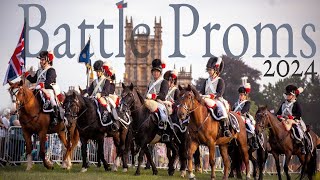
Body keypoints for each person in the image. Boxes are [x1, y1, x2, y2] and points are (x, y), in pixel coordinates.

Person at [25, 51, 62, 125]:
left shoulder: (51, 70)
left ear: (47, 60)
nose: (41, 61)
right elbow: (34, 80)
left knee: (52, 99)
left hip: (48, 89)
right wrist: (26, 74)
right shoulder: (39, 71)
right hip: (38, 88)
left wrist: (41, 86)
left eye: (42, 60)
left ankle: (55, 117)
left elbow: (49, 82)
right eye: (40, 60)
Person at [200, 56, 231, 137]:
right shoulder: (206, 81)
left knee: (221, 108)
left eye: (210, 70)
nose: (209, 72)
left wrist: (211, 96)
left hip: (216, 99)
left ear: (215, 70)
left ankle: (225, 127)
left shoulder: (220, 80)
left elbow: (219, 93)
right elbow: (202, 91)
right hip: (206, 98)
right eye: (208, 70)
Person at [145, 59, 170, 142]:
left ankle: (164, 132)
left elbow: (163, 95)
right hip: (148, 102)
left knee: (163, 115)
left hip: (159, 102)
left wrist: (152, 96)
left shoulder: (164, 82)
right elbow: (146, 94)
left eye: (157, 71)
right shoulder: (150, 83)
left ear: (160, 73)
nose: (155, 73)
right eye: (154, 71)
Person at [276, 85, 305, 154]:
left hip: (294, 121)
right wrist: (279, 116)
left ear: (293, 95)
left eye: (289, 94)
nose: (287, 96)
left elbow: (299, 114)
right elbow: (278, 113)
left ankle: (302, 143)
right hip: (283, 120)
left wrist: (293, 117)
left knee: (296, 129)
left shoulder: (296, 104)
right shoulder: (283, 104)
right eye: (287, 94)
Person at [84, 60, 112, 125]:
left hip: (102, 98)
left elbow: (106, 91)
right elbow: (89, 91)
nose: (97, 73)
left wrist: (100, 94)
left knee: (108, 107)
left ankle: (110, 120)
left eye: (99, 71)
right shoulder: (94, 82)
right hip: (94, 98)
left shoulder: (106, 80)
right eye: (96, 72)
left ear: (102, 71)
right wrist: (86, 94)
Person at [232, 82, 259, 149]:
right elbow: (232, 110)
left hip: (244, 117)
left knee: (251, 126)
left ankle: (254, 140)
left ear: (245, 95)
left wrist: (240, 113)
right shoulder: (236, 103)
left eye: (242, 95)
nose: (240, 96)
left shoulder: (247, 102)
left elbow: (245, 110)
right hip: (236, 117)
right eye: (240, 95)